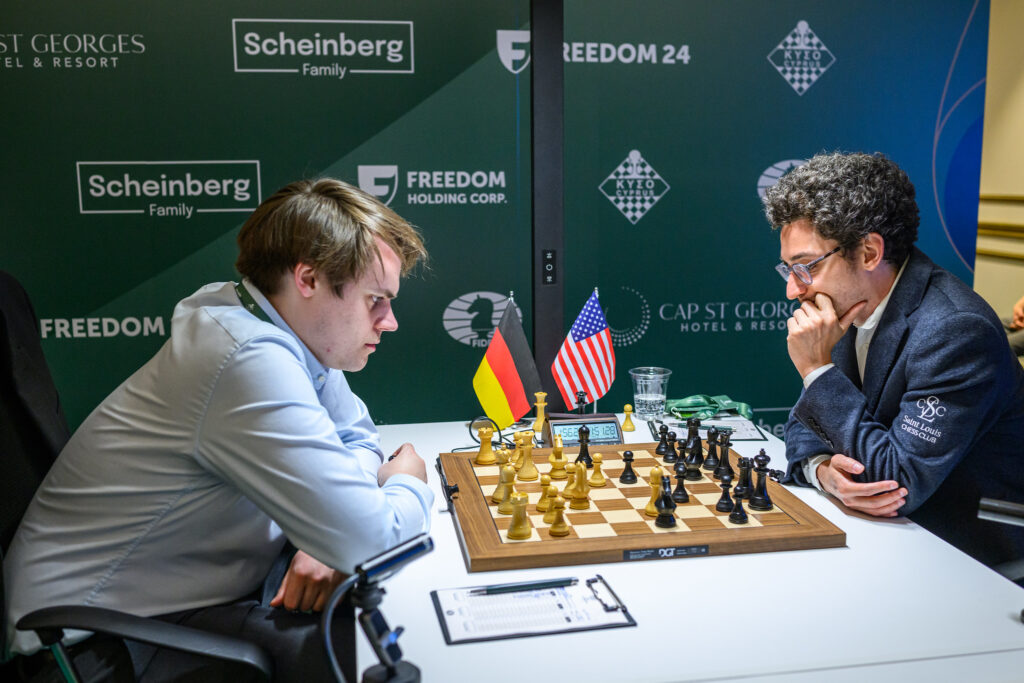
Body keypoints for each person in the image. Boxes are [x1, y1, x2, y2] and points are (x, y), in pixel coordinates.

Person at [3, 179, 433, 681]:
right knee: (364, 652)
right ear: (309, 279)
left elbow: (357, 440)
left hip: (184, 593)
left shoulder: (273, 322)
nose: (389, 321)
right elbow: (373, 543)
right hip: (94, 641)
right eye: (375, 299)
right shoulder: (246, 358)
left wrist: (328, 530)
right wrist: (408, 482)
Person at [763, 152, 1024, 568]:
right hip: (890, 538)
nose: (793, 290)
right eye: (788, 269)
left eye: (805, 267)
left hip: (969, 556)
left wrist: (816, 368)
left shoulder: (956, 331)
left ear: (869, 252)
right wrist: (823, 471)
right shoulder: (852, 304)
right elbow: (805, 424)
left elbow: (893, 482)